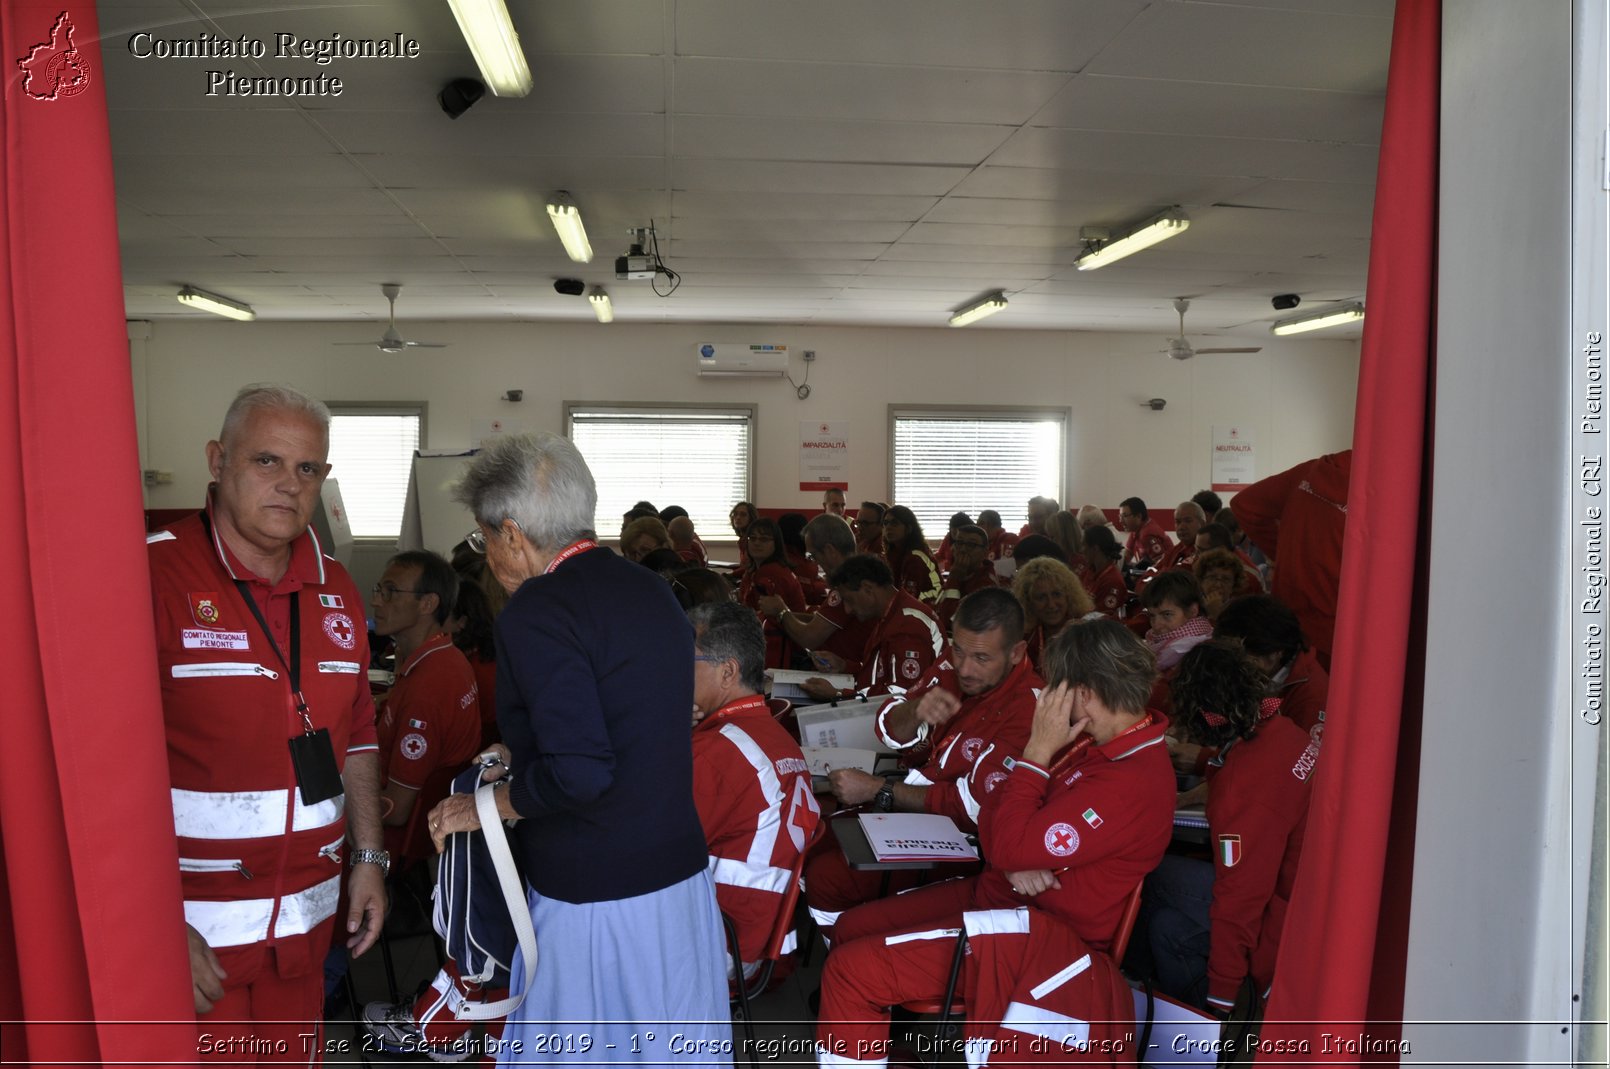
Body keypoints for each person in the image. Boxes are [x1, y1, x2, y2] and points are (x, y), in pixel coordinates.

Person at [428, 432, 728, 1063]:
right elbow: (632, 714)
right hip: (674, 871)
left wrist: (489, 806)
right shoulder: (649, 588)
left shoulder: (537, 609)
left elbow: (582, 774)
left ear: (512, 534)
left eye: (485, 539)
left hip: (596, 888)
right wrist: (524, 751)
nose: (488, 556)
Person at [816, 620, 1175, 1067]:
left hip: (1034, 937)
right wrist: (1014, 853)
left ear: (1081, 691)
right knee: (850, 930)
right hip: (997, 895)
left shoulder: (1129, 778)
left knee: (849, 973)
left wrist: (1037, 756)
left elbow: (1006, 836)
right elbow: (990, 812)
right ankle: (881, 1049)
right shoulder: (1090, 741)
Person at [148, 384, 386, 1048]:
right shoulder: (152, 574)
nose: (289, 484)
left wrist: (369, 856)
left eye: (307, 468)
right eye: (266, 462)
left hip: (305, 935)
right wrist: (155, 921)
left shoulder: (336, 585)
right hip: (197, 943)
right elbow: (100, 769)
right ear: (217, 460)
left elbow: (359, 735)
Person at [803, 589, 1042, 939]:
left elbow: (971, 809)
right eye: (958, 650)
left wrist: (877, 789)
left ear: (1016, 653)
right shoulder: (952, 665)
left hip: (965, 844)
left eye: (981, 658)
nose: (964, 668)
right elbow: (888, 726)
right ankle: (854, 946)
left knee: (828, 879)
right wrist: (915, 711)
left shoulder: (1028, 710)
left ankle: (853, 956)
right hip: (913, 809)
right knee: (811, 839)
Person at [1141, 641, 1322, 1016]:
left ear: (1201, 716)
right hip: (1309, 897)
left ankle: (1192, 1025)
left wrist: (1219, 1004)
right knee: (1167, 926)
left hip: (1284, 919)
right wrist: (1211, 764)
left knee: (1150, 873)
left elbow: (1239, 901)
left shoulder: (1242, 794)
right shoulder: (1283, 729)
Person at [688, 601, 821, 976]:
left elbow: (648, 851)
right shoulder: (773, 736)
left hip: (717, 939)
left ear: (728, 671)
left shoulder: (718, 753)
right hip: (756, 931)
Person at [369, 550, 482, 842]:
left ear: (428, 603)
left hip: (397, 840)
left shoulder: (427, 687)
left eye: (391, 592)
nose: (376, 601)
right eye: (379, 590)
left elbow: (395, 811)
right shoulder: (448, 655)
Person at [1229, 450, 1351, 666]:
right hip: (1337, 631)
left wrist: (1285, 553)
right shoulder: (1381, 493)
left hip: (1285, 620)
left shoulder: (1310, 472)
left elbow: (1244, 504)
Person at [799, 554, 943, 702]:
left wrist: (839, 694)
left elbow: (902, 696)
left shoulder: (908, 626)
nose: (847, 610)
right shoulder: (891, 614)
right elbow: (881, 674)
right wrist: (845, 667)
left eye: (849, 600)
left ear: (868, 589)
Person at [738, 517, 807, 668]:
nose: (756, 543)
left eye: (764, 539)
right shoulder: (758, 569)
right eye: (753, 538)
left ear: (776, 543)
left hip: (783, 650)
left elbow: (762, 620)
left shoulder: (771, 573)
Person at [1010, 556, 1093, 673]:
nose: (1051, 605)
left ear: (1069, 595)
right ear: (1028, 602)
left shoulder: (1089, 633)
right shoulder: (1025, 638)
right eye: (1041, 597)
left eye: (1057, 594)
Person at [1138, 570, 1214, 674]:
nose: (1156, 625)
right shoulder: (1207, 632)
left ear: (1192, 611)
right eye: (1152, 616)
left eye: (1167, 614)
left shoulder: (1179, 650)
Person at [935, 523, 1000, 634]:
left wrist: (954, 578)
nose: (963, 549)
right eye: (959, 543)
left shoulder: (986, 586)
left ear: (985, 552)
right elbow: (938, 610)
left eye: (971, 544)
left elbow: (950, 622)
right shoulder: (962, 573)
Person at [880, 504, 943, 606]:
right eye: (885, 523)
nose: (888, 527)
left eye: (894, 523)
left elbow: (908, 598)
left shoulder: (915, 558)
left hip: (930, 608)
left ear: (909, 528)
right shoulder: (894, 553)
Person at [1082, 525, 1129, 619]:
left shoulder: (1112, 581)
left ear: (1095, 549)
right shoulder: (1090, 571)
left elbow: (1100, 618)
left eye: (1084, 545)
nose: (1081, 550)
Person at [1118, 496, 1170, 578]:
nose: (1120, 520)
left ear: (1138, 516)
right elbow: (1125, 559)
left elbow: (1160, 568)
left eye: (1124, 516)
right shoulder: (1136, 530)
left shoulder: (1148, 534)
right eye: (1120, 516)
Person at [1156, 500, 1206, 574]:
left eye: (1188, 521)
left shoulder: (1205, 552)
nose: (1181, 527)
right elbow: (1153, 571)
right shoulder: (1174, 551)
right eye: (1178, 522)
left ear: (1202, 524)